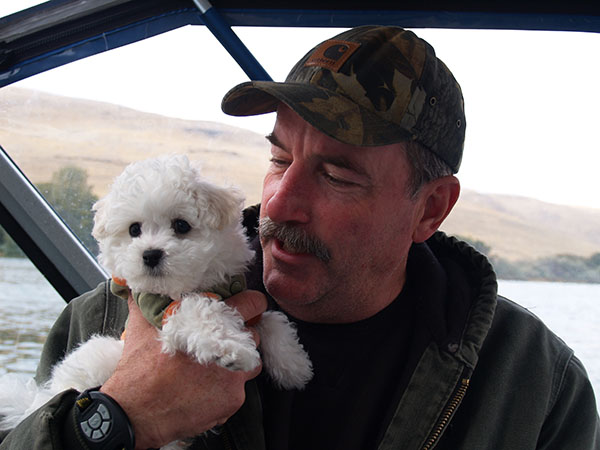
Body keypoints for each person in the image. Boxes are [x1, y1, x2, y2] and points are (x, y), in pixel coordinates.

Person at [1, 25, 598, 450]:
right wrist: (113, 420)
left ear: (430, 209)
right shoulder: (107, 313)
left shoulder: (533, 381)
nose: (280, 203)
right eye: (279, 158)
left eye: (336, 175)